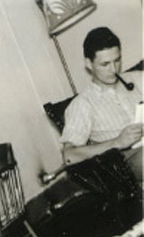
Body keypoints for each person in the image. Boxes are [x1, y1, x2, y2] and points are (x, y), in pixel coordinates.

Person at [61, 27, 143, 182]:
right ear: (89, 63)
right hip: (128, 161)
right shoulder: (83, 104)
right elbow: (69, 156)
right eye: (105, 64)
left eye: (117, 60)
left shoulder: (138, 79)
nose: (114, 69)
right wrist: (117, 142)